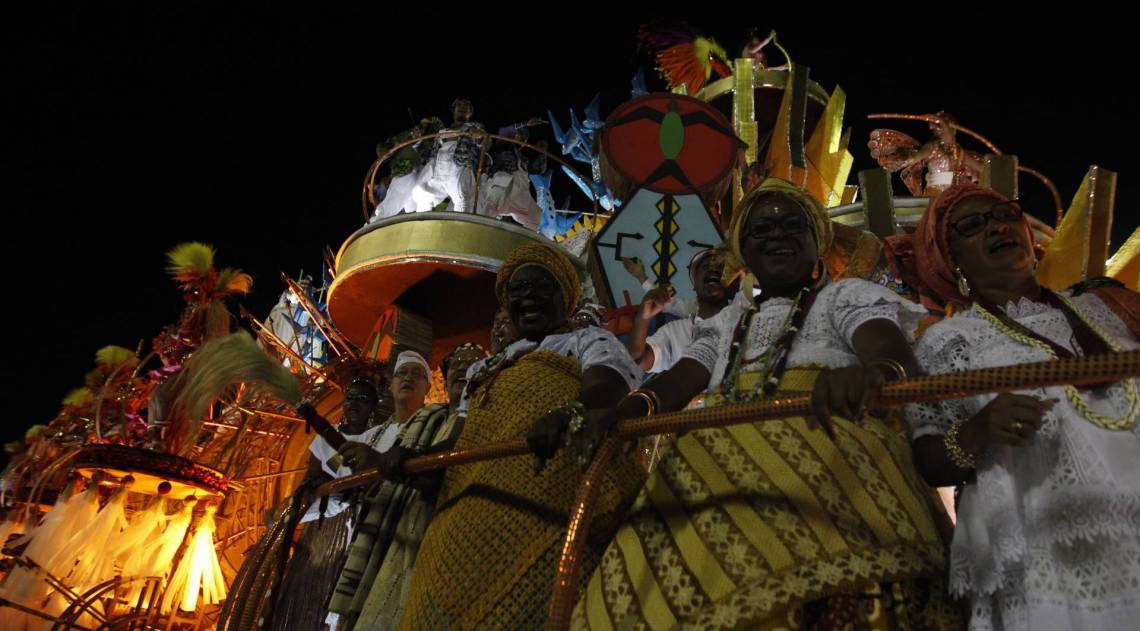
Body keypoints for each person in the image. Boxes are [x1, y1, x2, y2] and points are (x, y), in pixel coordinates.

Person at [572, 178, 960, 629]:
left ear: (817, 241)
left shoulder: (845, 297)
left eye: (792, 225)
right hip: (716, 477)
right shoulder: (726, 323)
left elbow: (893, 362)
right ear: (745, 253)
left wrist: (871, 376)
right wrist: (621, 413)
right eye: (761, 230)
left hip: (834, 472)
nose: (777, 235)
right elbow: (676, 383)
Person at [900, 183, 1140, 630]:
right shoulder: (947, 341)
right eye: (972, 226)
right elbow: (929, 460)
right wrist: (978, 430)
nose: (996, 227)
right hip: (1049, 534)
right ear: (952, 262)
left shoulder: (1107, 306)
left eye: (1004, 214)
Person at [397, 243, 646, 629]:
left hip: (551, 507)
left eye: (541, 287)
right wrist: (414, 460)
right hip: (467, 524)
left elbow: (608, 385)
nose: (528, 296)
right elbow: (461, 438)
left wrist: (568, 413)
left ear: (565, 299)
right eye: (518, 289)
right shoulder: (485, 368)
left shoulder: (585, 341)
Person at [326, 350, 452, 630]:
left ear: (428, 387)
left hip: (408, 538)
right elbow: (338, 491)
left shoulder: (440, 423)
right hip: (362, 541)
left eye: (417, 374)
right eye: (402, 373)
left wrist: (382, 465)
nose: (408, 378)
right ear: (392, 386)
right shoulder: (370, 437)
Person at [271, 376, 384, 631]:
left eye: (362, 399)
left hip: (357, 525)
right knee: (307, 588)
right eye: (350, 398)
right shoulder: (325, 437)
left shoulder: (377, 438)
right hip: (321, 525)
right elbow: (312, 478)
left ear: (373, 405)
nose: (354, 404)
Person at [627, 245, 740, 372]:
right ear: (695, 285)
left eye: (721, 267)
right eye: (705, 266)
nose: (713, 270)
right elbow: (637, 361)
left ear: (735, 285)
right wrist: (642, 318)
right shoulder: (674, 332)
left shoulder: (746, 320)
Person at [410, 99, 485, 214]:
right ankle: (421, 224)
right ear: (453, 110)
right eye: (459, 105)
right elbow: (428, 154)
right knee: (423, 196)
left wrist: (479, 137)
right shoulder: (442, 132)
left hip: (460, 166)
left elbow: (486, 143)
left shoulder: (475, 127)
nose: (462, 107)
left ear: (470, 112)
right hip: (438, 167)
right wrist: (417, 141)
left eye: (466, 106)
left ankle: (461, 225)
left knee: (462, 201)